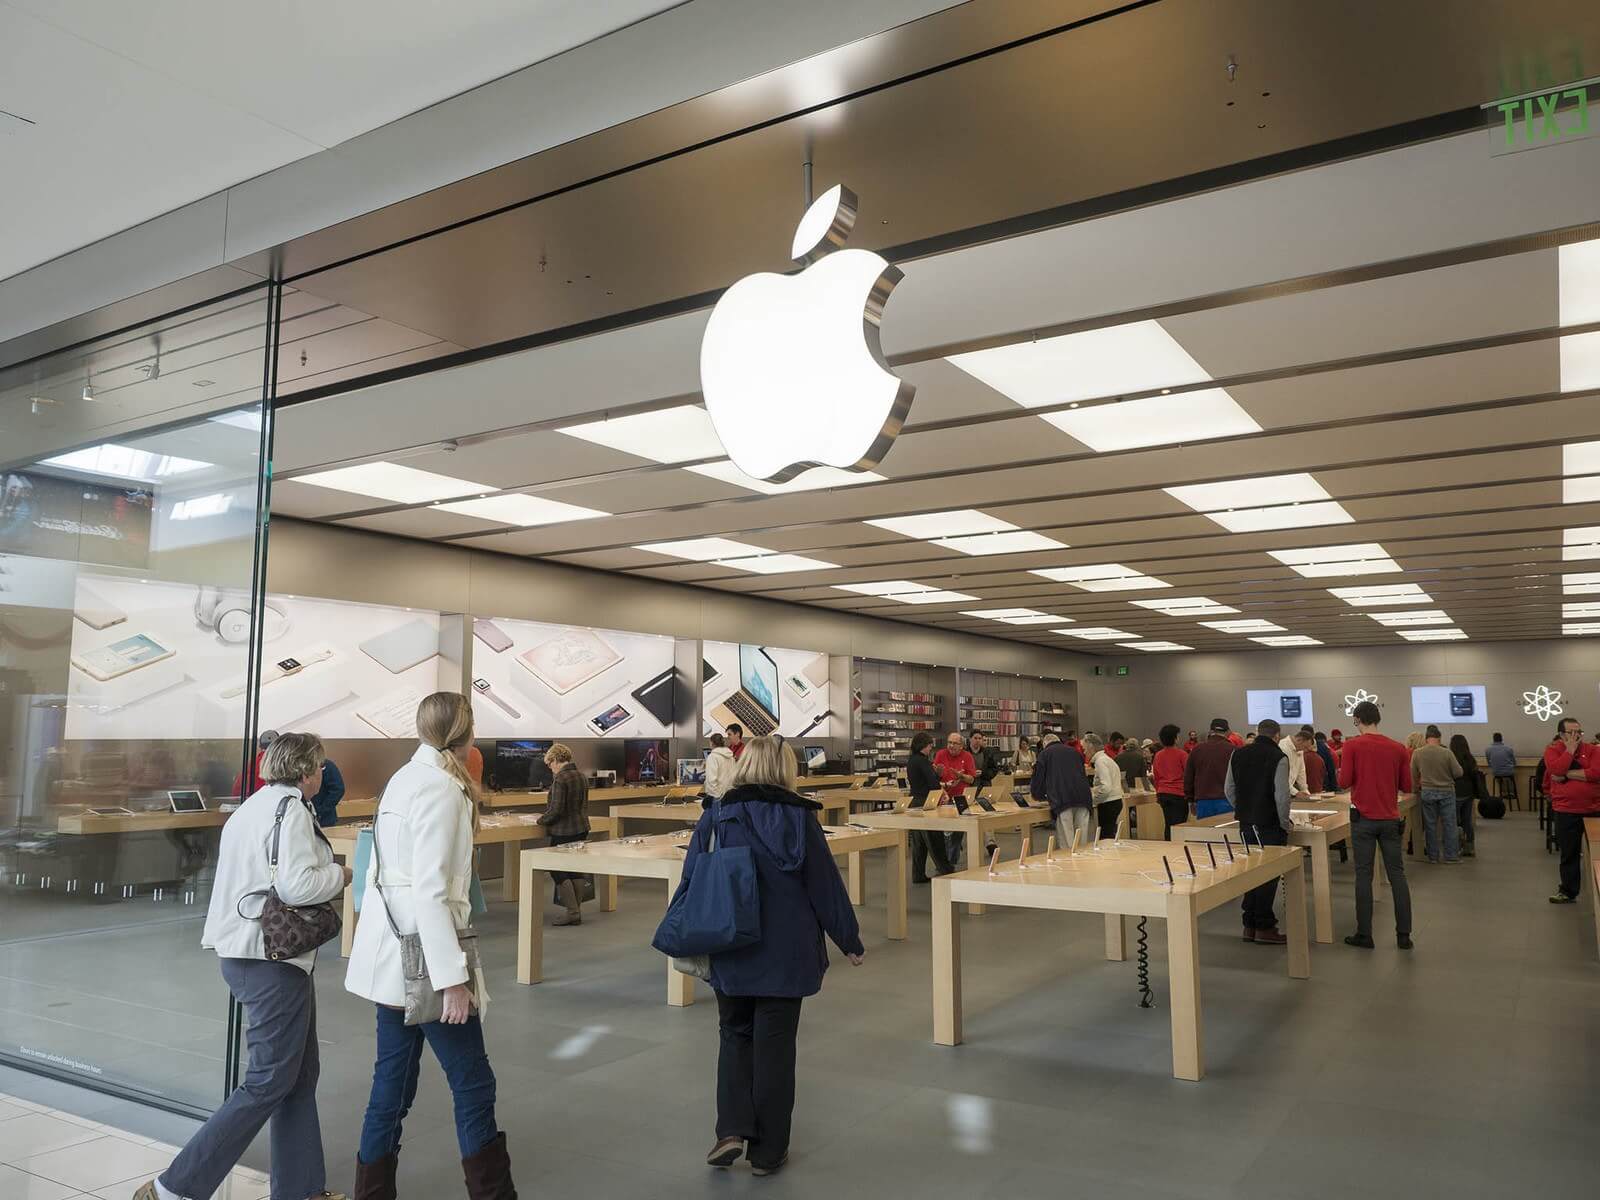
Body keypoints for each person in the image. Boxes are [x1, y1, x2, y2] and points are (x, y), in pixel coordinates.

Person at [137, 734, 350, 1200]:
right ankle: (173, 1187)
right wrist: (341, 874)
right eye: (320, 767)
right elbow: (297, 887)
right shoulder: (291, 811)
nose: (323, 774)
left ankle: (302, 1189)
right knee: (269, 1079)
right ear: (306, 770)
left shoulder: (251, 808)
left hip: (247, 952)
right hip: (271, 960)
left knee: (298, 1074)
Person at [347, 692, 516, 1200]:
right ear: (467, 734)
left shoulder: (402, 780)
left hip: (391, 957)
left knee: (391, 1088)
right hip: (427, 964)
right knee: (473, 1084)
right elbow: (431, 891)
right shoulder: (443, 790)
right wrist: (452, 982)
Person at [691, 737, 864, 1177]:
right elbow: (824, 884)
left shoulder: (716, 816)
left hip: (731, 943)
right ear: (786, 769)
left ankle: (729, 1130)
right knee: (776, 1047)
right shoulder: (800, 819)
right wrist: (849, 939)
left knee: (733, 1035)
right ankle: (768, 1153)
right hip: (787, 949)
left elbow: (694, 877)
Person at [1339, 700, 1414, 950]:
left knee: (1363, 875)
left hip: (1363, 820)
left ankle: (1365, 934)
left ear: (1357, 720)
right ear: (1378, 719)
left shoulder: (1352, 746)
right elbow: (1407, 786)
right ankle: (1404, 935)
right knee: (1397, 875)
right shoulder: (1398, 748)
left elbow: (1344, 781)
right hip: (1390, 819)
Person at [1225, 719, 1292, 944]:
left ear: (1257, 732)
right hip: (1270, 824)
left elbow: (1229, 789)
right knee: (1268, 876)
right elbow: (1281, 796)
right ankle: (1264, 926)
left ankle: (1249, 925)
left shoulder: (1238, 754)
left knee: (1250, 872)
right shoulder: (1279, 757)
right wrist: (1284, 823)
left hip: (1246, 823)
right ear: (1277, 735)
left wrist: (1243, 809)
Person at [1545, 716, 1600, 904]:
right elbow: (1555, 769)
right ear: (1561, 734)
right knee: (1569, 853)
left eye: (1579, 732)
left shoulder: (1593, 750)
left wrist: (1567, 774)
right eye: (1571, 733)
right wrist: (1569, 751)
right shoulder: (1553, 750)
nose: (1576, 736)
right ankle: (1568, 891)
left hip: (1593, 808)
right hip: (1566, 810)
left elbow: (1597, 773)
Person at [538, 743, 591, 927]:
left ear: (555, 760)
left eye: (549, 764)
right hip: (581, 827)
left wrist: (540, 820)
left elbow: (556, 810)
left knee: (558, 869)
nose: (550, 768)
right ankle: (576, 911)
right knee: (574, 868)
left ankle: (572, 912)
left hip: (564, 830)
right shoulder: (581, 776)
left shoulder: (561, 779)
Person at [1411, 725, 1463, 864]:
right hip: (1446, 791)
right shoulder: (1447, 752)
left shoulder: (1417, 753)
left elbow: (1413, 774)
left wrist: (1415, 789)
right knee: (1449, 824)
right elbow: (1459, 772)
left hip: (1427, 792)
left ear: (1427, 738)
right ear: (1439, 738)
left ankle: (1433, 857)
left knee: (1430, 825)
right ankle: (1451, 856)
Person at [906, 732, 954, 882]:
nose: (931, 749)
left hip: (914, 801)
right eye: (929, 746)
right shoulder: (923, 761)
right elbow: (932, 783)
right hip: (926, 803)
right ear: (923, 746)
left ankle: (918, 874)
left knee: (919, 843)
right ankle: (945, 868)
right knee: (935, 838)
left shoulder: (911, 760)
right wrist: (939, 779)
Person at [1032, 731, 1093, 848]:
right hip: (1083, 797)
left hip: (1062, 799)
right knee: (1082, 838)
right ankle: (1085, 864)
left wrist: (1038, 796)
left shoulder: (1044, 754)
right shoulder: (1075, 752)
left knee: (1067, 839)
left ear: (1045, 744)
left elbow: (1038, 779)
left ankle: (1070, 865)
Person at [933, 732, 977, 864]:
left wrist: (961, 776)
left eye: (955, 743)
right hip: (943, 798)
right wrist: (938, 774)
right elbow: (935, 776)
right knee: (944, 832)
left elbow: (971, 779)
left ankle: (951, 861)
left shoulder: (967, 756)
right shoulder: (941, 754)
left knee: (958, 832)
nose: (951, 746)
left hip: (961, 798)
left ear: (961, 746)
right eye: (949, 742)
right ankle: (945, 861)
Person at [1185, 719, 1237, 819]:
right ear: (1228, 731)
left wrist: (1190, 799)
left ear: (1211, 731)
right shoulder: (1233, 750)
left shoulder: (1197, 749)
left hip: (1203, 800)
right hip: (1227, 800)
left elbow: (1188, 776)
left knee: (1205, 833)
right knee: (1226, 833)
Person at [1150, 724, 1190, 836]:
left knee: (1168, 824)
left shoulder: (1158, 755)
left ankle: (1168, 846)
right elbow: (1188, 775)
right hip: (1178, 793)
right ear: (1175, 738)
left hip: (1163, 793)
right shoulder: (1182, 754)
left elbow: (1156, 776)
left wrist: (1158, 793)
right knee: (1180, 825)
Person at [1086, 734, 1124, 840]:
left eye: (1085, 749)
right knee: (1109, 834)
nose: (1084, 752)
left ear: (1091, 747)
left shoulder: (1100, 762)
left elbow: (1106, 787)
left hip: (1108, 802)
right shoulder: (1107, 759)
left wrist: (1095, 800)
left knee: (1105, 838)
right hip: (1115, 800)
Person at [1449, 735, 1481, 859]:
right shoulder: (1471, 759)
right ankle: (1470, 846)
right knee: (1467, 821)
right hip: (1468, 793)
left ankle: (1457, 846)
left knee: (1454, 822)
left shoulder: (1451, 758)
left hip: (1455, 792)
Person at [231, 729, 278, 799]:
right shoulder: (279, 764)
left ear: (260, 747)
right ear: (278, 747)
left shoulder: (251, 764)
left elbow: (236, 792)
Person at [310, 755, 346, 827]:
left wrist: (321, 810)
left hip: (325, 820)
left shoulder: (326, 765)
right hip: (305, 817)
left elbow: (338, 789)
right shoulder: (297, 767)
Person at [1278, 726, 1310, 801]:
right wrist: (1296, 793)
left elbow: (1301, 772)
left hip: (1288, 791)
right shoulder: (1283, 748)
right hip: (1279, 791)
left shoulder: (1299, 749)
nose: (1305, 750)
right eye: (1305, 747)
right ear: (1299, 740)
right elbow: (1281, 777)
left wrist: (1305, 790)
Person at [704, 733, 737, 801]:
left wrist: (715, 796)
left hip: (717, 796)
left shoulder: (712, 757)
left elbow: (711, 779)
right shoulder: (731, 757)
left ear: (712, 743)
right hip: (730, 795)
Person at [1485, 732, 1517, 802]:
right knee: (1509, 775)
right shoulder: (1508, 749)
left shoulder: (1488, 750)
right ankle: (1511, 792)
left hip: (1496, 772)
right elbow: (1514, 762)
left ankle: (1503, 792)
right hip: (1508, 772)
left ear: (1493, 739)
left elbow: (1489, 763)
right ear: (1502, 739)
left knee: (1498, 776)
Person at [1299, 727, 1326, 794]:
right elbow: (1323, 774)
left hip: (1306, 792)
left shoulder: (1303, 757)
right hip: (1318, 790)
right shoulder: (1319, 758)